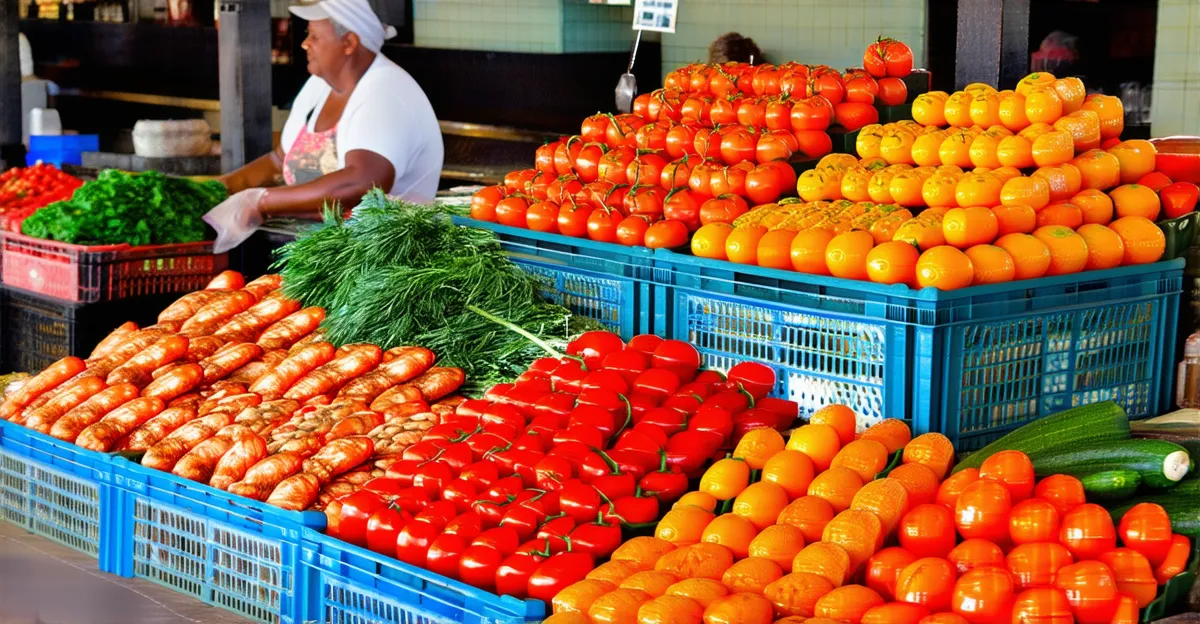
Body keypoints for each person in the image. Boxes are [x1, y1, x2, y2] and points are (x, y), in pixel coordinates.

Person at [208, 0, 442, 251]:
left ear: (349, 43)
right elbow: (280, 161)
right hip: (318, 251)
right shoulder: (319, 86)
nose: (305, 43)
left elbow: (362, 182)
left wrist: (262, 201)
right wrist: (218, 189)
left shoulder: (385, 92)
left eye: (315, 36)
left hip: (379, 257)